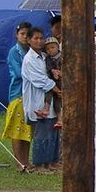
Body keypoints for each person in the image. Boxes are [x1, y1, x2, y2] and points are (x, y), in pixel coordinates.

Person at [22, 26, 61, 170]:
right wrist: (56, 89)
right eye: (35, 38)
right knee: (42, 135)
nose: (39, 41)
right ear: (29, 41)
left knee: (54, 134)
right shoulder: (29, 59)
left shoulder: (45, 57)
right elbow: (40, 80)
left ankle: (52, 162)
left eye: (41, 38)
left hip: (51, 102)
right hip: (37, 101)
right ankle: (39, 164)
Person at [1, 22, 33, 171]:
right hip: (18, 93)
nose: (25, 37)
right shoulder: (14, 52)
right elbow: (20, 72)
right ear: (17, 35)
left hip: (31, 94)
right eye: (22, 34)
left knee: (26, 129)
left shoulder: (32, 51)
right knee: (17, 128)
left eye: (28, 34)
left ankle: (26, 160)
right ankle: (19, 162)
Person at [42, 36, 63, 129]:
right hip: (54, 82)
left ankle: (61, 119)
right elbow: (49, 67)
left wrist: (61, 72)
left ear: (58, 47)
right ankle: (47, 109)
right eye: (47, 49)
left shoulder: (62, 56)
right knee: (50, 95)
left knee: (61, 101)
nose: (50, 50)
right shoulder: (48, 59)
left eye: (52, 47)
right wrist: (53, 71)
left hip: (62, 82)